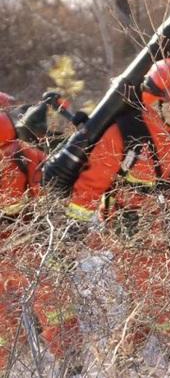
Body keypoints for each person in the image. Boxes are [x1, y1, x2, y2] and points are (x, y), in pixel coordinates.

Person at [64, 58, 170, 355]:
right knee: (156, 293)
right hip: (130, 224)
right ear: (154, 101)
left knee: (146, 297)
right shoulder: (125, 132)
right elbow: (92, 184)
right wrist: (75, 227)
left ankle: (124, 357)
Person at [0, 91, 83, 369]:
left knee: (45, 306)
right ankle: (70, 362)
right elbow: (49, 197)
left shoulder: (25, 155)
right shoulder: (25, 155)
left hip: (26, 246)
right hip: (31, 247)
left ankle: (67, 360)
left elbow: (48, 194)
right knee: (52, 303)